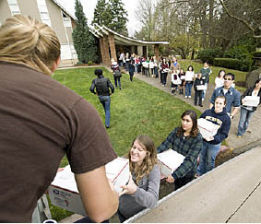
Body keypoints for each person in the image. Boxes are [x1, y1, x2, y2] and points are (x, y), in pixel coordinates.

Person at [0, 15, 118, 222]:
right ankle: (107, 121)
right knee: (107, 111)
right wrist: (115, 195)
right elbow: (101, 210)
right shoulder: (75, 110)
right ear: (56, 63)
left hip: (100, 98)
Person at [118, 136, 160, 222]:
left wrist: (135, 191)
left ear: (147, 153)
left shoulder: (153, 170)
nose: (134, 151)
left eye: (140, 150)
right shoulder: (124, 162)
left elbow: (153, 201)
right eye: (134, 147)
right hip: (121, 211)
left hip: (139, 217)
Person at [157, 110, 203, 190]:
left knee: (181, 189)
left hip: (187, 171)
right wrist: (153, 155)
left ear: (194, 123)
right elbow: (166, 144)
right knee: (176, 185)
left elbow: (190, 160)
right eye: (183, 120)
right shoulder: (177, 131)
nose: (184, 123)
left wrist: (175, 175)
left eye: (188, 121)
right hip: (174, 166)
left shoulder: (197, 139)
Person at [197, 96, 231, 176]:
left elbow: (224, 134)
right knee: (202, 157)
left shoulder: (226, 118)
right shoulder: (207, 113)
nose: (218, 105)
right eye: (216, 103)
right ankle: (199, 172)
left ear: (224, 105)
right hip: (203, 141)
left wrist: (214, 138)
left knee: (209, 161)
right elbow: (200, 122)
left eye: (220, 103)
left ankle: (208, 175)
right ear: (214, 103)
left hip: (214, 144)